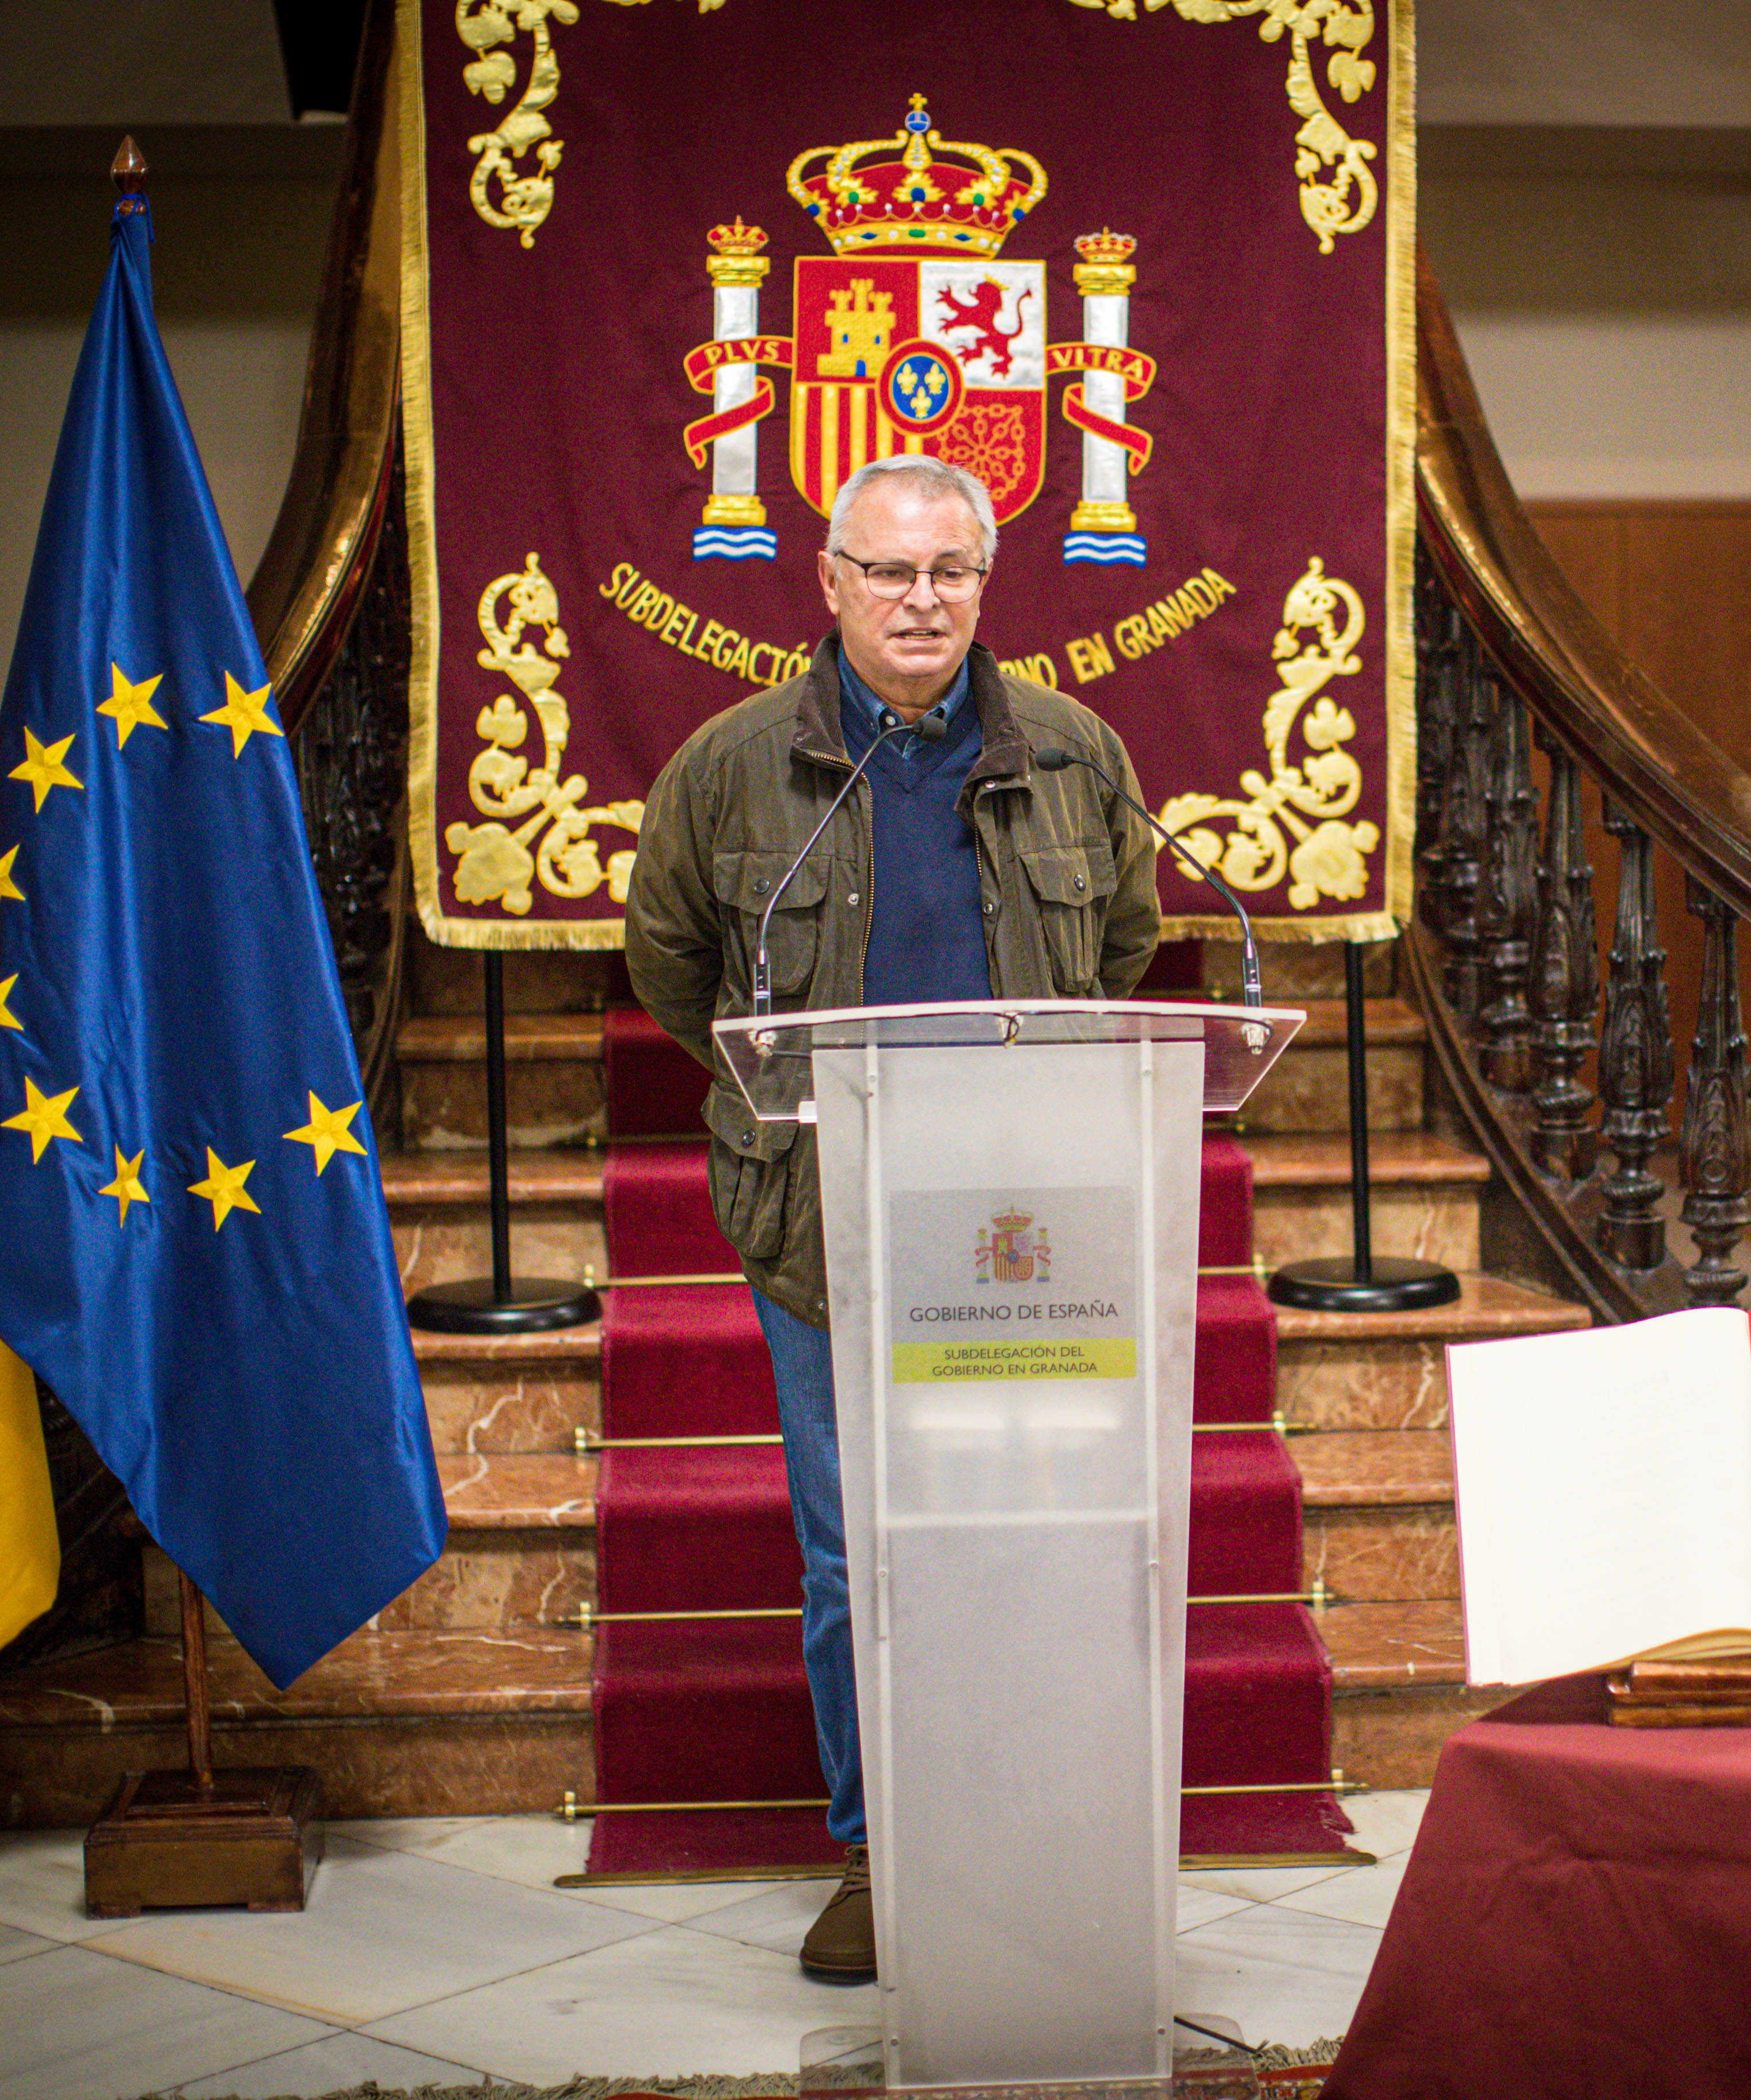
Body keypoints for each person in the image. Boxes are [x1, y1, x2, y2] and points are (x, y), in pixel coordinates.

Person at [623, 453, 1160, 1980]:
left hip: (1023, 1234)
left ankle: (1026, 1835)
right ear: (831, 582)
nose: (921, 601)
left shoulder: (1072, 751)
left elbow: (1121, 942)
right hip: (825, 1223)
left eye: (950, 574)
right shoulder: (731, 768)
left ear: (984, 586)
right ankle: (882, 1856)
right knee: (858, 1557)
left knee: (1026, 1544)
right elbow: (677, 973)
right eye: (890, 571)